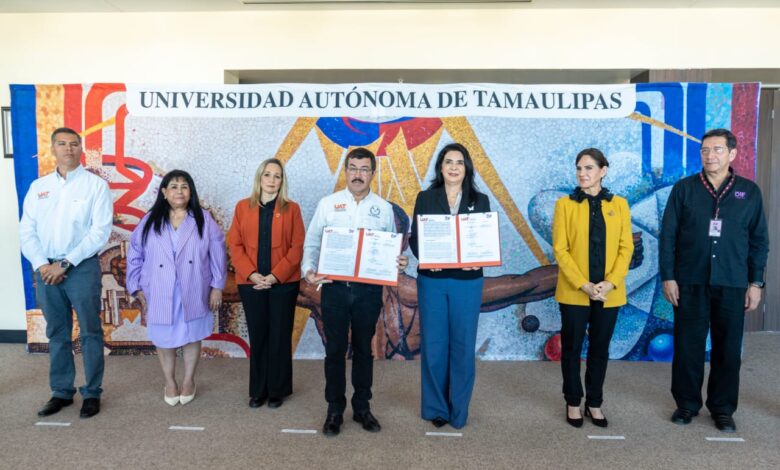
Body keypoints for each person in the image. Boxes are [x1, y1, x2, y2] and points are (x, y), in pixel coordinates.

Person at [660, 128, 768, 433]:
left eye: (717, 150)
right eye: (705, 150)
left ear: (732, 154)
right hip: (690, 280)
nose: (710, 155)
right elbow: (668, 236)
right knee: (688, 347)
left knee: (728, 348)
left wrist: (756, 283)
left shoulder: (749, 192)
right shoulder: (684, 189)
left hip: (733, 282)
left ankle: (722, 408)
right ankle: (686, 404)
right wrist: (669, 276)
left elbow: (759, 241)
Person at [302, 147, 408, 436]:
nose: (358, 174)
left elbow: (390, 246)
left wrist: (397, 260)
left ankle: (362, 407)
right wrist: (309, 270)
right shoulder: (328, 204)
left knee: (364, 349)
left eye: (364, 169)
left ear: (372, 173)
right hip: (334, 290)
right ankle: (334, 409)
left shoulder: (383, 208)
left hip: (367, 291)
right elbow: (312, 242)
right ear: (345, 171)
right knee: (334, 350)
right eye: (353, 168)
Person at [19, 127, 113, 418]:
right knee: (57, 332)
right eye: (62, 144)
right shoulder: (39, 187)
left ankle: (92, 392)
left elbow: (99, 233)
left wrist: (66, 263)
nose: (68, 149)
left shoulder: (95, 186)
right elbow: (27, 230)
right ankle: (61, 391)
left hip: (81, 267)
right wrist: (42, 265)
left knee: (90, 332)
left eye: (74, 144)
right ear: (53, 149)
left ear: (80, 148)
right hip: (45, 268)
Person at [126, 170, 226, 406]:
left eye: (184, 186)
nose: (179, 191)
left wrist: (217, 286)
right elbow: (135, 253)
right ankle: (170, 381)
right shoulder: (150, 220)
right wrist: (135, 284)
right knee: (163, 336)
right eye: (173, 186)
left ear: (190, 192)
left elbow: (217, 254)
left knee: (192, 335)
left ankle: (189, 379)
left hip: (194, 286)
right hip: (159, 287)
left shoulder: (203, 218)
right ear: (164, 192)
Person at [408, 142, 491, 429]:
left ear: (466, 167)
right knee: (433, 345)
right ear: (440, 168)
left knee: (462, 345)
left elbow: (483, 240)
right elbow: (415, 238)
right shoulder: (425, 198)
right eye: (448, 162)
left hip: (467, 282)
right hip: (433, 281)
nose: (454, 167)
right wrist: (429, 258)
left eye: (459, 162)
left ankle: (459, 411)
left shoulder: (480, 200)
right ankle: (436, 409)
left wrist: (477, 260)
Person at [552, 148, 633, 428]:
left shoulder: (620, 205)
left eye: (588, 168)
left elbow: (626, 247)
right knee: (572, 349)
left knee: (600, 349)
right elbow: (560, 249)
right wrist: (584, 285)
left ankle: (594, 403)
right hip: (576, 291)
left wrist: (610, 282)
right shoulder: (565, 204)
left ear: (603, 170)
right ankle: (573, 401)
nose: (582, 174)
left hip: (609, 293)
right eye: (579, 169)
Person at [227, 158, 305, 409]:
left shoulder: (292, 209)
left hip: (283, 284)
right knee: (259, 335)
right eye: (268, 175)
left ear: (283, 181)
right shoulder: (242, 207)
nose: (272, 180)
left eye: (277, 176)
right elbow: (235, 245)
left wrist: (274, 276)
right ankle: (258, 390)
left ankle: (277, 390)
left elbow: (297, 248)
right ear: (259, 178)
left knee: (280, 336)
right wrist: (252, 275)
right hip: (251, 284)